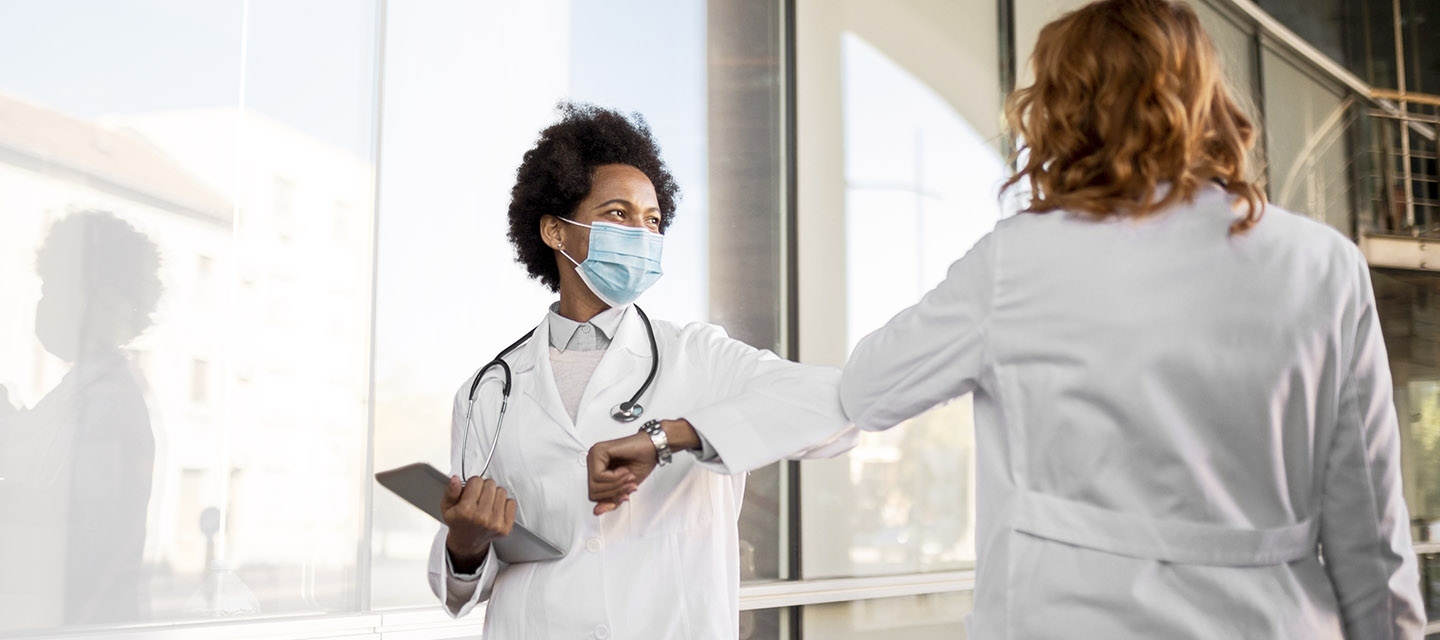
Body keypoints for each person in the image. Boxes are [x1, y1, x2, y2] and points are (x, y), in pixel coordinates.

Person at [590, 0, 1425, 637]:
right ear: (1208, 100)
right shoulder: (1322, 265)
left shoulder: (1020, 263)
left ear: (1062, 108)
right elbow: (1370, 533)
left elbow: (869, 387)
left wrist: (676, 434)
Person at [428, 103, 855, 638]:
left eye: (652, 219)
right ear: (556, 232)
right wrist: (464, 546)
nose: (643, 233)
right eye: (617, 214)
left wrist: (673, 436)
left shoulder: (698, 356)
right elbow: (458, 591)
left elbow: (842, 408)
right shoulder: (488, 390)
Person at [0, 212, 160, 628]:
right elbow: (40, 466)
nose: (42, 304)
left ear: (96, 299)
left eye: (52, 289)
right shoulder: (81, 389)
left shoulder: (112, 402)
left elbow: (92, 547)